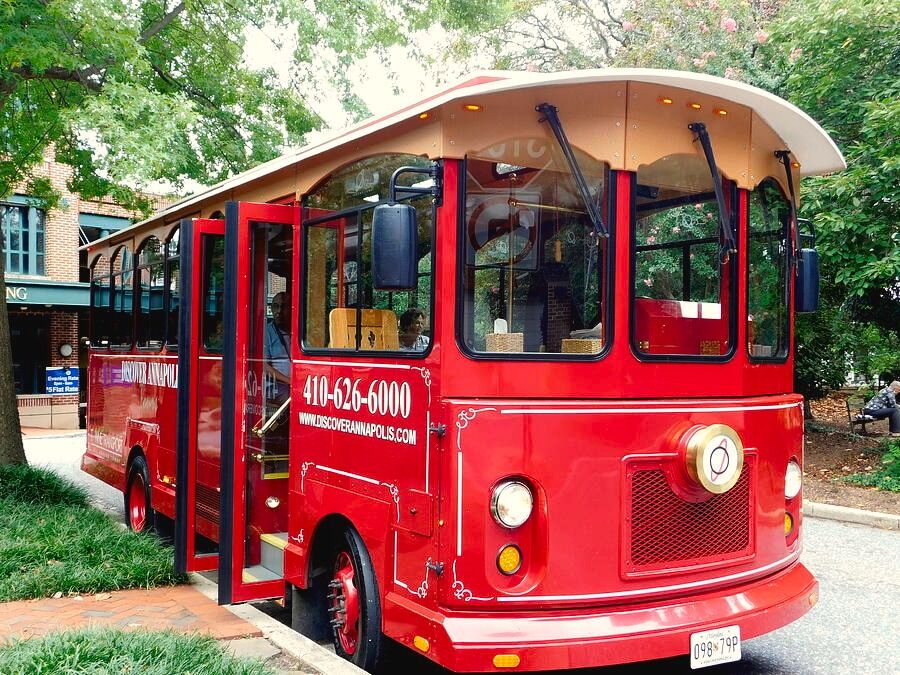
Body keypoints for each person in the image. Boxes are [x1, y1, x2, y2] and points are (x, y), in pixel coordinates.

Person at [264, 291, 291, 402]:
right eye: (276, 307)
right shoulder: (267, 332)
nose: (279, 311)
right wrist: (290, 381)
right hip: (274, 386)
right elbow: (265, 368)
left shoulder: (298, 331)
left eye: (283, 306)